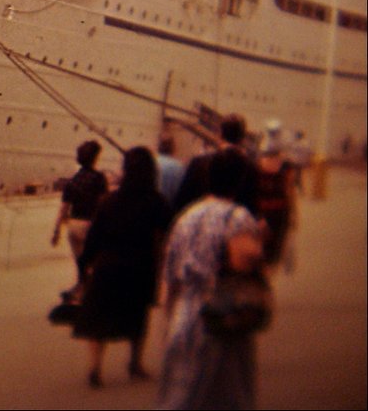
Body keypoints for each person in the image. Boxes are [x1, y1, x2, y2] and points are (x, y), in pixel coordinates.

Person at [158, 148, 266, 410]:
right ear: (239, 181)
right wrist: (259, 242)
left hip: (185, 315)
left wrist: (169, 321)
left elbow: (168, 280)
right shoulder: (238, 217)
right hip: (221, 316)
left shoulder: (186, 217)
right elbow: (244, 261)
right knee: (226, 397)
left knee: (180, 396)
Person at [73, 147, 172, 387]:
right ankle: (134, 363)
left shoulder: (109, 201)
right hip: (141, 265)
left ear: (125, 170)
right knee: (138, 315)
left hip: (108, 265)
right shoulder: (156, 201)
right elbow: (167, 232)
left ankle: (95, 367)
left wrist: (84, 265)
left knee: (99, 317)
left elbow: (94, 237)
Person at [51, 140, 108, 302]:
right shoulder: (99, 179)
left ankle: (81, 287)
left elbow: (64, 208)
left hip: (73, 225)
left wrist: (56, 231)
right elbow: (104, 203)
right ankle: (90, 291)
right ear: (94, 159)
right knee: (94, 261)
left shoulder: (73, 181)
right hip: (90, 225)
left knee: (81, 261)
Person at [172, 114, 258, 216]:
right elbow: (252, 208)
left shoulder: (198, 163)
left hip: (200, 224)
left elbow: (182, 202)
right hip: (234, 227)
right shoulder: (251, 168)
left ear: (220, 134)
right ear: (242, 139)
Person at [256, 125, 298, 268]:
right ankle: (267, 278)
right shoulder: (287, 166)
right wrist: (294, 214)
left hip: (260, 213)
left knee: (260, 251)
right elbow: (289, 191)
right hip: (279, 213)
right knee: (273, 254)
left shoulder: (256, 164)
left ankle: (262, 276)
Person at [155, 137, 185, 210]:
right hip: (171, 210)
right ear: (172, 148)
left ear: (158, 147)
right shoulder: (179, 167)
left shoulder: (151, 163)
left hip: (151, 210)